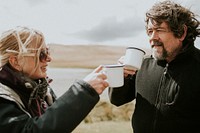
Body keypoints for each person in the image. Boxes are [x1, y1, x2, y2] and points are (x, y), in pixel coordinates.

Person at [109, 1, 200, 133]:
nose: (152, 37)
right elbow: (117, 100)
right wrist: (121, 76)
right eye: (150, 31)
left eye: (159, 30)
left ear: (181, 32)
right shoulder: (142, 65)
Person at [0, 26, 109, 133]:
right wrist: (85, 90)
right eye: (41, 54)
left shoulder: (41, 89)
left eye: (47, 51)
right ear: (16, 62)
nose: (48, 58)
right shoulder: (3, 97)